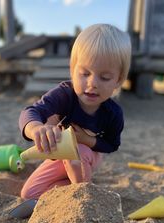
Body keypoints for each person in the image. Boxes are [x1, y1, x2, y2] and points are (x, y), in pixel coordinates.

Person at [19, 23, 131, 201]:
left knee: (77, 154)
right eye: (85, 73)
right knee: (29, 194)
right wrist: (35, 128)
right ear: (72, 71)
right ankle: (71, 190)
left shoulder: (113, 113)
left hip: (86, 155)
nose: (92, 83)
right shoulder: (64, 94)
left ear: (118, 81)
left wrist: (85, 140)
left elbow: (111, 145)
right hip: (60, 154)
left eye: (105, 77)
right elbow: (31, 111)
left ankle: (82, 197)